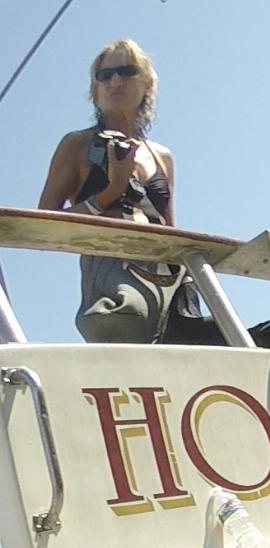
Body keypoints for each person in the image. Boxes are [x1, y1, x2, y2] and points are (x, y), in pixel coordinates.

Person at [37, 39, 179, 344]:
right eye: (105, 75)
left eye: (126, 72)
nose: (114, 81)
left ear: (147, 85)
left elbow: (170, 229)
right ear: (94, 90)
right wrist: (110, 192)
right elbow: (43, 225)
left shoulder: (161, 156)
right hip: (111, 273)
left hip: (165, 277)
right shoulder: (77, 145)